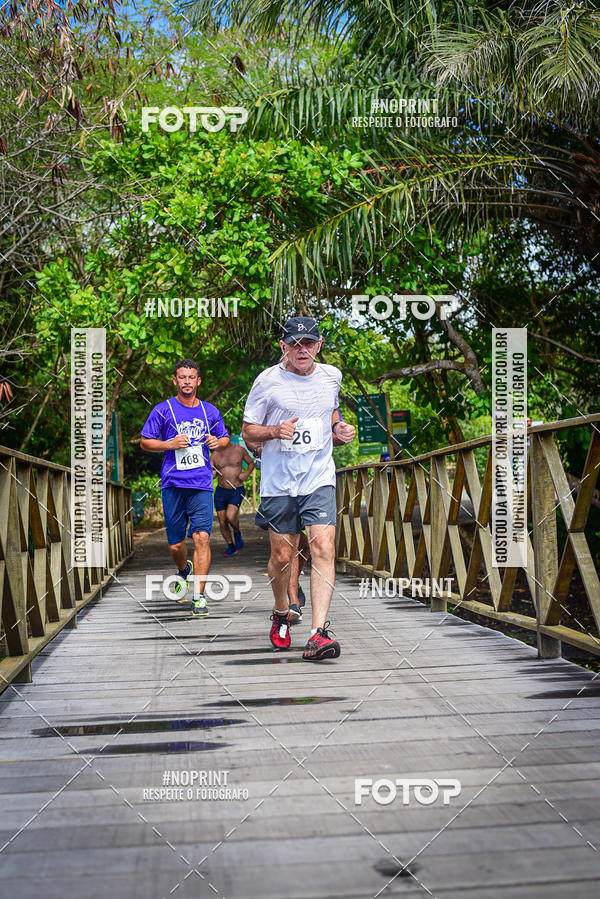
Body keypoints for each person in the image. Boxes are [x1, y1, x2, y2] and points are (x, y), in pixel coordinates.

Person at [242, 316, 355, 660]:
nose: (301, 349)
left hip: (318, 477)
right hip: (279, 482)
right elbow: (248, 431)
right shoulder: (267, 381)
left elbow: (330, 414)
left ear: (319, 345)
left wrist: (339, 430)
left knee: (324, 546)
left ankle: (318, 633)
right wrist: (274, 432)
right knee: (282, 556)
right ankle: (281, 612)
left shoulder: (332, 376)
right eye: (294, 343)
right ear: (283, 346)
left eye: (308, 343)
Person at [140, 359, 229, 617]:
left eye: (191, 377)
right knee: (175, 546)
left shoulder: (209, 411)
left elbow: (224, 437)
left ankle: (199, 597)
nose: (187, 381)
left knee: (202, 537)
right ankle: (183, 570)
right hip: (173, 484)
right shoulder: (163, 409)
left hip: (201, 483)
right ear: (175, 380)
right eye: (182, 377)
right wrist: (169, 444)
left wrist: (217, 442)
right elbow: (145, 442)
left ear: (198, 381)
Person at [211, 427, 255, 556]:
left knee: (230, 517)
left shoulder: (239, 450)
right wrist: (213, 473)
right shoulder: (215, 454)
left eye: (224, 435)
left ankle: (237, 532)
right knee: (222, 521)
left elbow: (251, 463)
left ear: (229, 436)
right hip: (221, 491)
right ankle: (230, 545)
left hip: (237, 489)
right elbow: (211, 471)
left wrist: (246, 474)